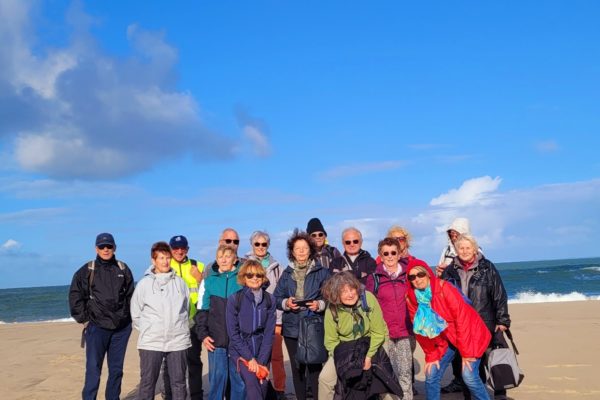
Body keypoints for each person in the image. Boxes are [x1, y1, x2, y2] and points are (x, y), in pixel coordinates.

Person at [406, 260, 491, 400]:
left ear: (428, 274)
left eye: (420, 274)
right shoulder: (411, 299)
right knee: (431, 374)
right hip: (447, 338)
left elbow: (462, 320)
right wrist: (431, 355)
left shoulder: (443, 288)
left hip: (471, 334)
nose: (417, 279)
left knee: (468, 375)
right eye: (412, 277)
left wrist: (466, 353)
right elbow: (421, 332)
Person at [441, 234, 511, 400]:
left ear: (474, 249)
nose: (464, 251)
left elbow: (499, 295)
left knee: (492, 361)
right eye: (461, 248)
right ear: (456, 250)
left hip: (485, 324)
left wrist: (503, 320)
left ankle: (500, 395)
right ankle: (470, 396)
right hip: (461, 327)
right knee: (468, 366)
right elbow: (442, 298)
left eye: (468, 248)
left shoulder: (487, 268)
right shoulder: (450, 271)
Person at [69, 232, 135, 400]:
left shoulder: (123, 268)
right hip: (96, 328)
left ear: (115, 247)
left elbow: (131, 297)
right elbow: (75, 296)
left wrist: (127, 319)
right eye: (102, 246)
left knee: (116, 370)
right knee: (93, 369)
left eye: (109, 246)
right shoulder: (87, 270)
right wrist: (84, 319)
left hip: (121, 329)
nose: (106, 249)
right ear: (96, 248)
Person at [318, 272, 402, 400]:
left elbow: (378, 333)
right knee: (325, 378)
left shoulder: (368, 299)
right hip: (345, 348)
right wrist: (343, 363)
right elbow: (331, 341)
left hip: (372, 341)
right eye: (344, 292)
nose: (350, 294)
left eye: (351, 289)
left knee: (384, 378)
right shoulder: (332, 309)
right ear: (336, 295)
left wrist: (368, 357)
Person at [274, 229, 331, 400]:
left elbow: (330, 297)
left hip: (314, 325)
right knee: (297, 369)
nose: (301, 252)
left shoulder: (322, 272)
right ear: (292, 251)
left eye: (304, 248)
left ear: (310, 250)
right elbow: (277, 298)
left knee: (315, 368)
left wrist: (319, 304)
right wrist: (287, 303)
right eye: (297, 248)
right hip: (292, 326)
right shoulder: (286, 274)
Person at [130, 241, 191, 400]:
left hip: (178, 341)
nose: (165, 261)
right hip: (151, 342)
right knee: (148, 383)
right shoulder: (144, 284)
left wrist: (180, 328)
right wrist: (149, 330)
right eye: (161, 258)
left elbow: (186, 308)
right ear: (153, 260)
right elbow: (135, 313)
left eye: (167, 258)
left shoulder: (180, 283)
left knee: (178, 383)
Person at [366, 238, 416, 400]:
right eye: (385, 253)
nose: (390, 256)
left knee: (405, 374)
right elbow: (368, 305)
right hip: (384, 333)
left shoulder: (409, 274)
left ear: (399, 253)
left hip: (405, 331)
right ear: (380, 255)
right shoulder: (374, 278)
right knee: (385, 375)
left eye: (393, 252)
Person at [195, 244, 245, 400]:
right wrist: (203, 335)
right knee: (217, 380)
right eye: (220, 256)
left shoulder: (242, 280)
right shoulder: (208, 281)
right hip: (216, 341)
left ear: (235, 259)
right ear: (216, 259)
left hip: (238, 341)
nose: (224, 260)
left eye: (228, 256)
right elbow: (202, 311)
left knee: (239, 382)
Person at [434, 218, 476, 394]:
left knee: (474, 349)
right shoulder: (446, 250)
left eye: (456, 233)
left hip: (471, 307)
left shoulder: (475, 249)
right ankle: (459, 380)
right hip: (451, 306)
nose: (453, 236)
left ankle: (476, 384)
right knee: (454, 345)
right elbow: (440, 278)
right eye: (451, 233)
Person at [226, 260, 277, 400]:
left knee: (263, 383)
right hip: (241, 350)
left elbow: (269, 333)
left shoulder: (270, 299)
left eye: (258, 275)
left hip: (262, 350)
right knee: (252, 382)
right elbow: (233, 333)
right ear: (243, 278)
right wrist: (250, 359)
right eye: (250, 275)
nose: (254, 278)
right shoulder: (235, 299)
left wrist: (260, 361)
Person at [161, 235, 204, 400]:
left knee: (194, 361)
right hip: (171, 324)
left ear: (187, 249)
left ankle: (196, 396)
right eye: (175, 248)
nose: (179, 251)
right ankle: (169, 396)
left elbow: (207, 292)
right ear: (170, 249)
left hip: (193, 321)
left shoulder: (197, 265)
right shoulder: (164, 265)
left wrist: (200, 279)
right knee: (170, 364)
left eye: (182, 248)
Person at [245, 231, 286, 399]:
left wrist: (280, 315)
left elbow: (282, 291)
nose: (260, 247)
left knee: (276, 356)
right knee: (253, 357)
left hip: (273, 317)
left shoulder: (277, 267)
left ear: (268, 245)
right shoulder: (244, 263)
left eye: (264, 244)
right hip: (251, 318)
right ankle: (257, 389)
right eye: (257, 244)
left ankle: (279, 389)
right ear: (252, 245)